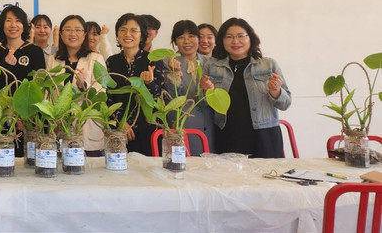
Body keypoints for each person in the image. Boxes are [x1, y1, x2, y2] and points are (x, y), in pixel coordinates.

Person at [200, 18, 291, 158]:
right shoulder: (212, 66)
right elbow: (204, 104)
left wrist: (276, 91)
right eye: (229, 37)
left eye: (240, 36)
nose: (235, 41)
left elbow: (285, 103)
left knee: (267, 172)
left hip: (264, 135)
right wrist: (206, 91)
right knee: (228, 172)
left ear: (251, 38)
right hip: (227, 134)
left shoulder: (269, 65)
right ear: (222, 41)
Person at [105, 13, 167, 156]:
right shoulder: (111, 61)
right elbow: (108, 97)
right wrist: (121, 123)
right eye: (123, 30)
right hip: (120, 132)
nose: (127, 34)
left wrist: (150, 84)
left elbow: (162, 98)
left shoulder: (153, 60)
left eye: (134, 30)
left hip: (149, 130)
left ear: (142, 35)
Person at [46, 15, 107, 156]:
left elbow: (101, 92)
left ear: (84, 34)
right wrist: (54, 120)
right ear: (61, 34)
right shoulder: (52, 60)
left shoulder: (96, 58)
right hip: (59, 128)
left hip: (86, 128)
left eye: (78, 30)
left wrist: (83, 85)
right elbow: (48, 93)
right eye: (68, 29)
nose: (73, 33)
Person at [164, 20, 214, 155]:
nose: (187, 41)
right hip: (182, 126)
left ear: (198, 38)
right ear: (175, 41)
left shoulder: (211, 63)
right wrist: (175, 75)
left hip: (209, 126)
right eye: (181, 37)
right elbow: (170, 98)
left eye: (191, 36)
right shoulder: (167, 62)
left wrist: (207, 90)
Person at [0, 6, 46, 93]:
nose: (13, 25)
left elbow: (40, 84)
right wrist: (6, 66)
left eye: (18, 20)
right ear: (2, 25)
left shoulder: (36, 51)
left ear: (24, 25)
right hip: (2, 101)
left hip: (28, 100)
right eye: (9, 20)